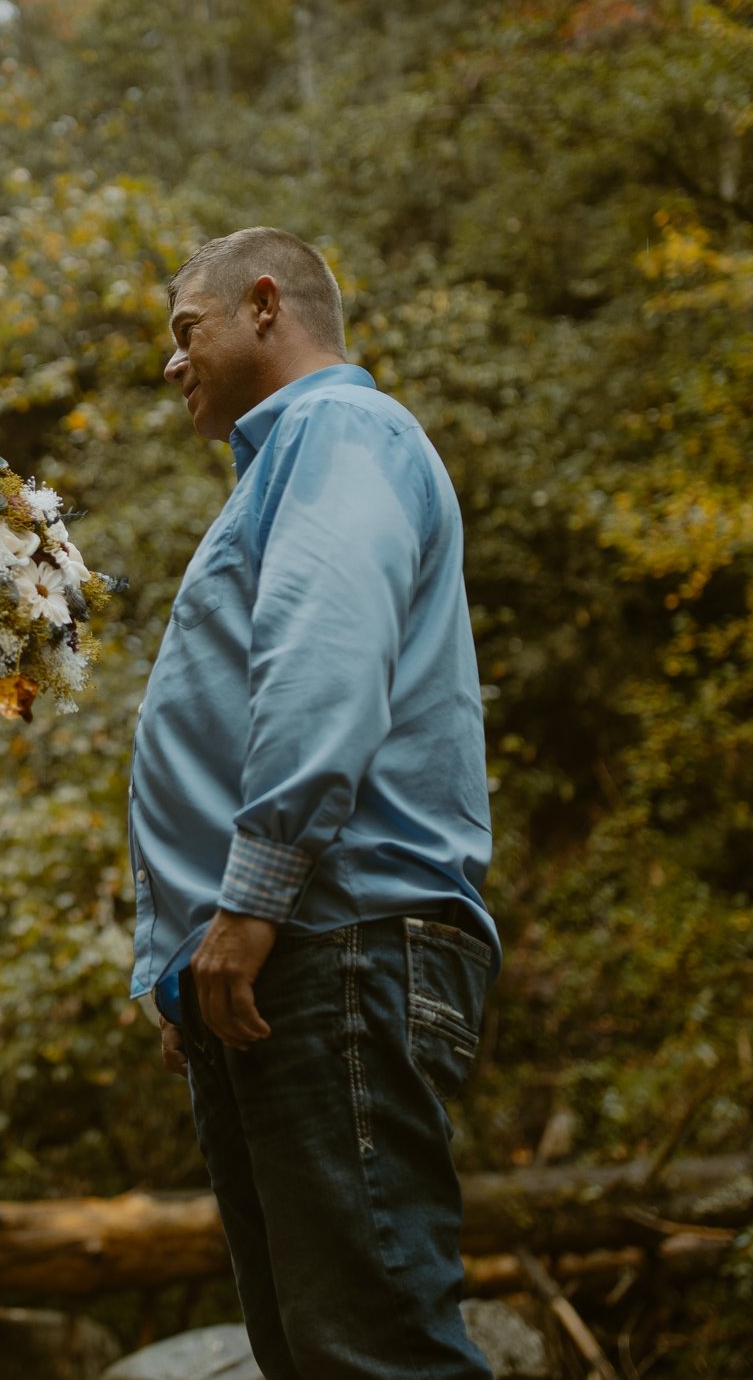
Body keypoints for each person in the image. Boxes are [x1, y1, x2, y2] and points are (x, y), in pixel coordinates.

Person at [129, 229, 503, 1380]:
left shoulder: (337, 430)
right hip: (285, 951)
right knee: (312, 1353)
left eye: (182, 329)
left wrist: (249, 901)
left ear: (259, 305)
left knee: (374, 1350)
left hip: (334, 938)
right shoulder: (292, 456)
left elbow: (323, 661)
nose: (170, 362)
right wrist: (183, 957)